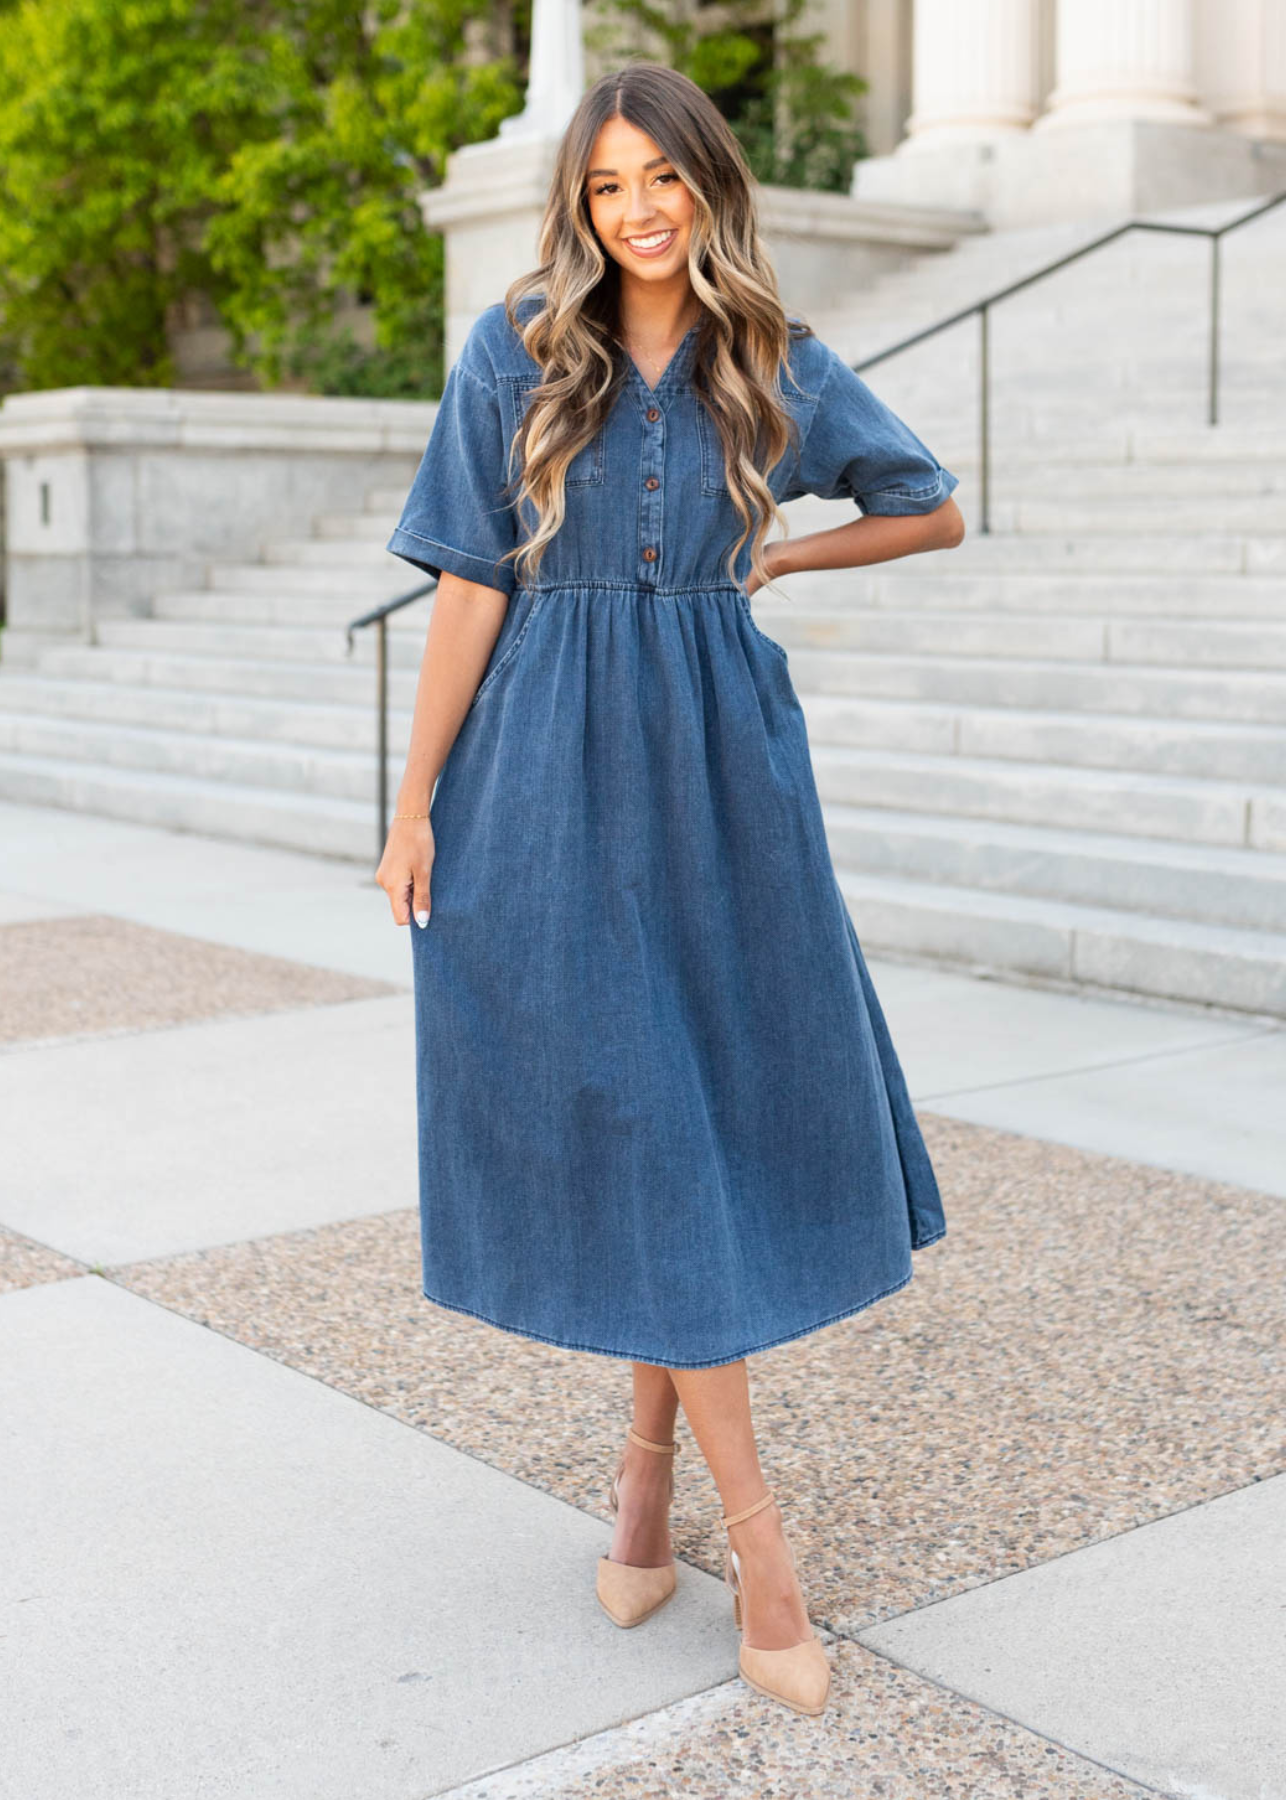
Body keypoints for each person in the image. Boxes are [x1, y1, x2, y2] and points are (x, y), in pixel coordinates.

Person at [377, 62, 964, 1719]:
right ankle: (759, 1556)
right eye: (606, 184)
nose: (633, 210)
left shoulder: (773, 357)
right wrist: (415, 804)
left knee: (690, 1115)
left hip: (724, 774)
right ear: (579, 200)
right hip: (544, 769)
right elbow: (472, 584)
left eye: (661, 181)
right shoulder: (515, 351)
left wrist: (773, 555)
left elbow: (929, 507)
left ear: (708, 188)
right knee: (635, 1112)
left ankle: (643, 1480)